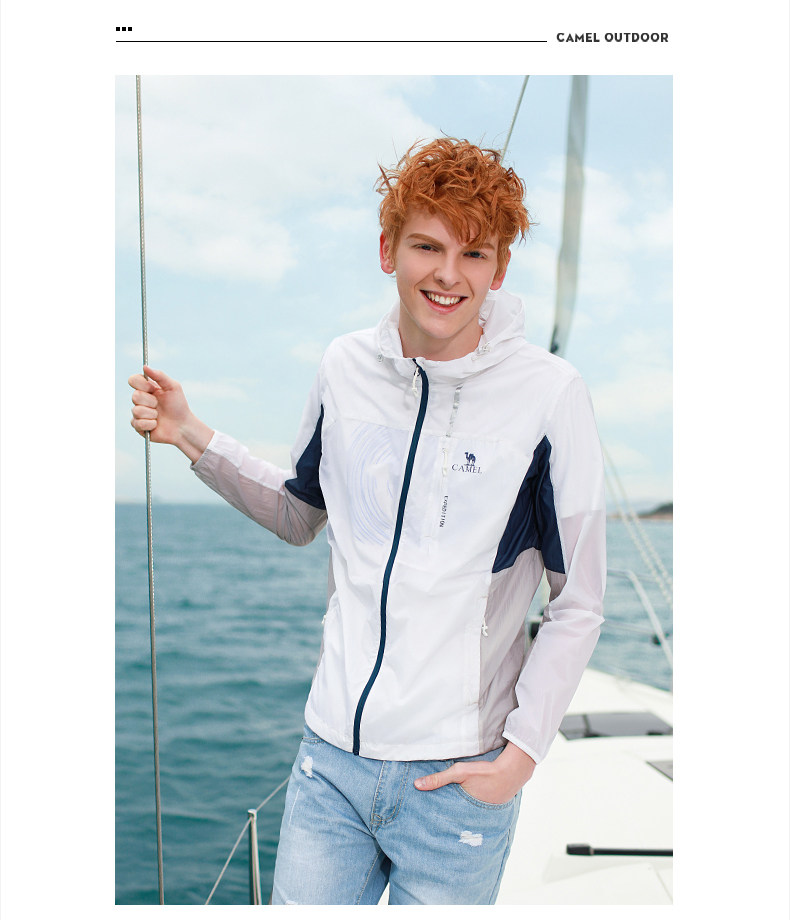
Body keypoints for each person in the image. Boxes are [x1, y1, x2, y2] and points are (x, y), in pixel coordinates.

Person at [128, 138, 606, 905]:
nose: (448, 274)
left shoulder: (550, 394)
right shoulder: (343, 367)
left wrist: (519, 756)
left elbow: (578, 598)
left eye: (474, 253)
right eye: (427, 246)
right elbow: (299, 512)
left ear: (499, 270)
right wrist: (190, 433)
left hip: (458, 784)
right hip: (330, 767)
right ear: (388, 250)